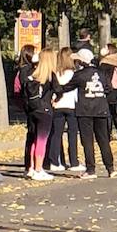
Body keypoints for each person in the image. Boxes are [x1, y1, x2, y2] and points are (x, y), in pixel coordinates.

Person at [67, 47, 113, 177]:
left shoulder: (79, 75)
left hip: (85, 111)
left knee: (87, 141)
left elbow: (66, 87)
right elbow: (109, 88)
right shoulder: (101, 73)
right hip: (101, 109)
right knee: (103, 139)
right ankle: (110, 168)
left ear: (82, 62)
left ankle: (91, 169)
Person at [16, 46, 52, 180]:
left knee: (32, 137)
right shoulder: (40, 72)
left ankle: (29, 167)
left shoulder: (22, 71)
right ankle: (38, 168)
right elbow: (58, 88)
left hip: (30, 107)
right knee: (40, 140)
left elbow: (19, 89)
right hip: (42, 108)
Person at [47, 46, 82, 174]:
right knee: (72, 134)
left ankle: (55, 161)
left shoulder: (55, 73)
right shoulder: (74, 74)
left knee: (56, 134)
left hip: (58, 105)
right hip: (71, 105)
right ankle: (74, 161)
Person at [101, 43, 117, 141]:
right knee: (114, 112)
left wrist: (106, 89)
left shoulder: (106, 62)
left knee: (108, 113)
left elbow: (104, 76)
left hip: (109, 89)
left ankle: (109, 134)